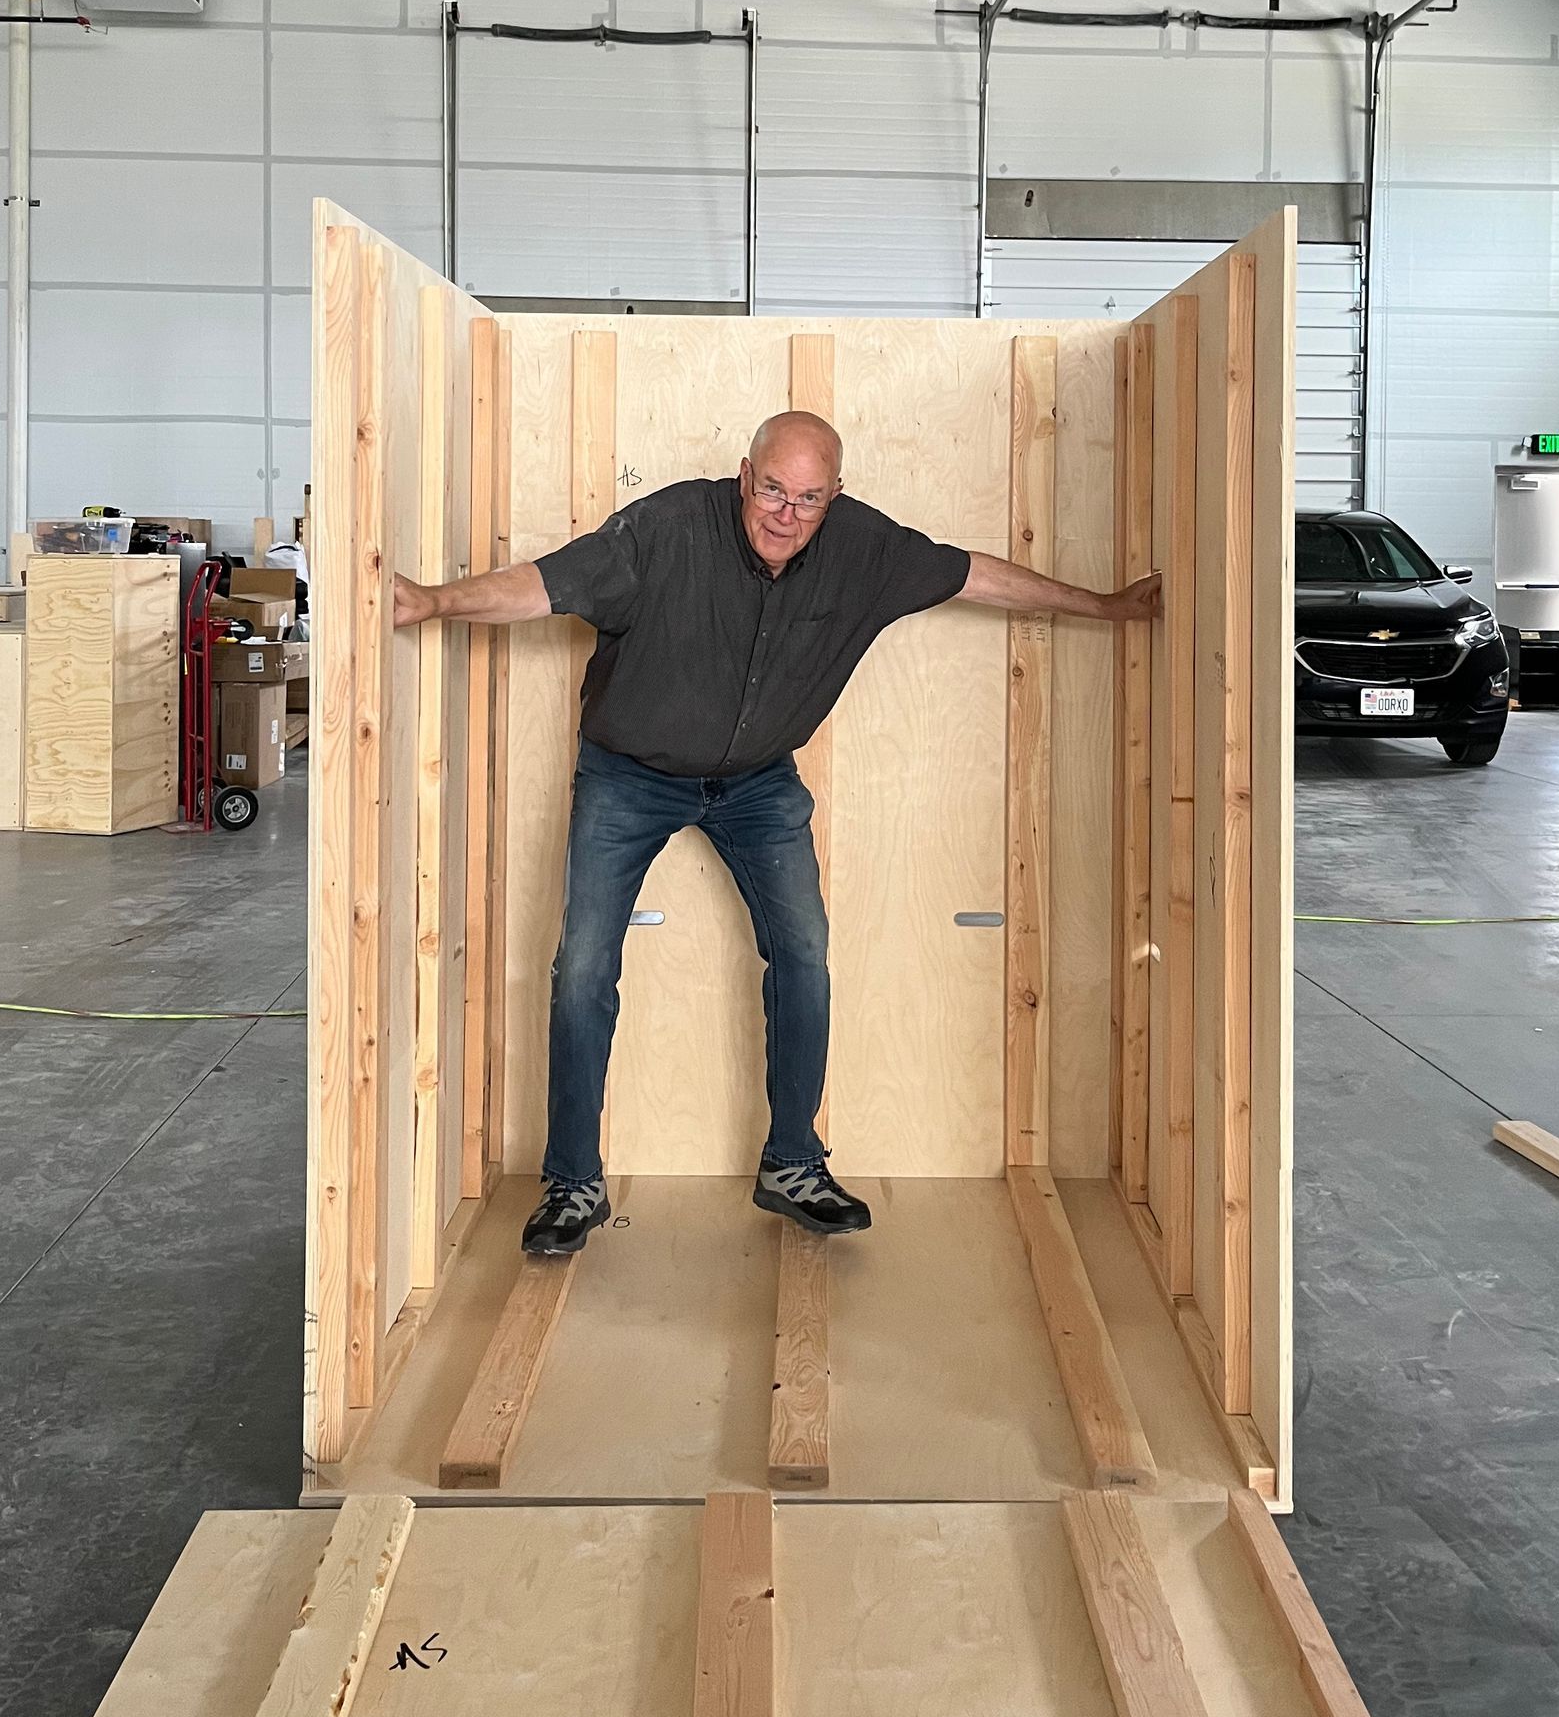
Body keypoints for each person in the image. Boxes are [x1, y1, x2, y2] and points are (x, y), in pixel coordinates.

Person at [393, 410, 1158, 1259]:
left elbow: (978, 576)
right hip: (628, 775)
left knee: (804, 954)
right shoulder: (667, 529)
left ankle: (793, 1164)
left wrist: (1105, 607)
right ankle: (572, 1181)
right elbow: (542, 585)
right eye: (771, 490)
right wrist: (431, 602)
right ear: (743, 472)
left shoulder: (864, 548)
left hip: (758, 784)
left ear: (835, 499)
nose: (785, 515)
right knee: (582, 968)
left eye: (809, 499)